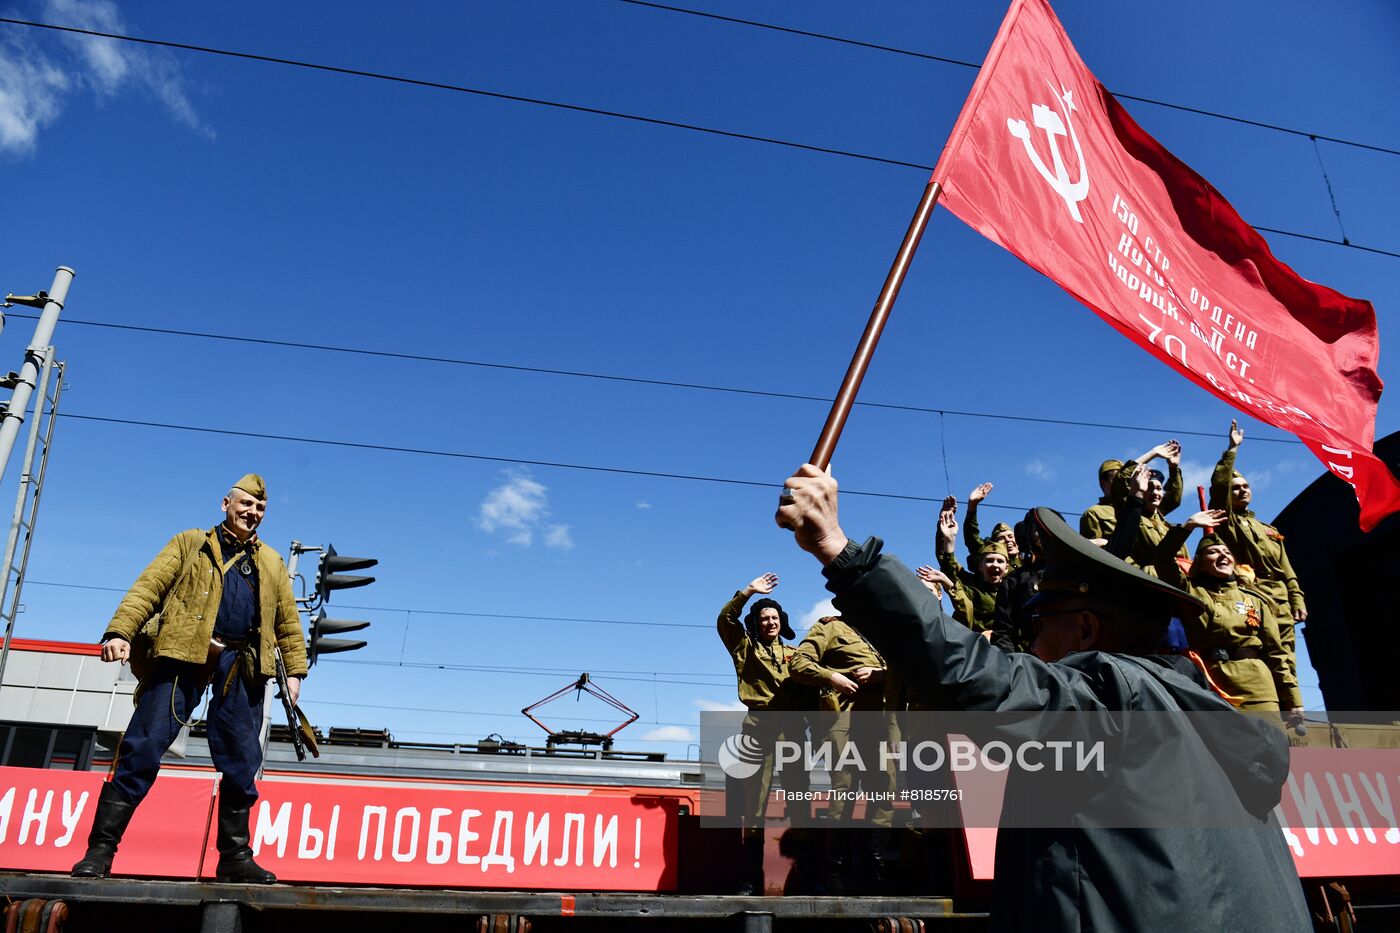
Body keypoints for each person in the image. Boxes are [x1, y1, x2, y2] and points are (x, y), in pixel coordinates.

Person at [776, 464, 1310, 931]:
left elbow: (963, 669)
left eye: (1038, 622)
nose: (1028, 642)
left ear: (1084, 632)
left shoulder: (1112, 695)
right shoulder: (1214, 728)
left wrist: (841, 551)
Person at [71, 474, 307, 884]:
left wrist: (295, 669)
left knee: (242, 758)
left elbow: (287, 620)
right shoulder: (190, 542)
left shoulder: (271, 561)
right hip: (182, 655)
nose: (252, 513)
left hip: (241, 664)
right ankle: (100, 851)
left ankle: (234, 857)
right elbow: (149, 586)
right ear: (225, 504)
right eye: (246, 504)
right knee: (143, 746)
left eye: (260, 508)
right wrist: (119, 631)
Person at [1152, 508, 1303, 717]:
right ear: (1201, 563)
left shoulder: (1256, 600)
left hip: (1257, 689)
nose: (1223, 555)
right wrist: (1188, 527)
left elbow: (1276, 653)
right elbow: (1162, 558)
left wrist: (1293, 699)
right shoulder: (1190, 591)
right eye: (1213, 552)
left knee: (1268, 747)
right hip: (1209, 686)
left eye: (1226, 552)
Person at [715, 571, 812, 894]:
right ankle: (751, 878)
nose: (769, 622)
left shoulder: (798, 656)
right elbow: (726, 620)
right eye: (763, 618)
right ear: (756, 622)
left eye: (774, 618)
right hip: (759, 726)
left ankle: (805, 875)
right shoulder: (745, 648)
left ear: (781, 622)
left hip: (794, 730)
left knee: (799, 798)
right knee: (754, 802)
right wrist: (748, 592)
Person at [790, 614, 897, 892]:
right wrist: (832, 676)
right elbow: (799, 664)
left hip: (880, 721)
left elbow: (905, 670)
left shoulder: (882, 629)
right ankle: (832, 870)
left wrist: (882, 675)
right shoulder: (829, 627)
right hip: (843, 721)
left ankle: (873, 870)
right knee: (845, 790)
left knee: (885, 790)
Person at [1210, 420, 1307, 684]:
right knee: (1263, 650)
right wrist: (1231, 450)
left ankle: (1292, 707)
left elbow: (1287, 569)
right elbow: (1218, 489)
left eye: (1245, 486)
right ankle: (1273, 704)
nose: (1242, 490)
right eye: (1236, 488)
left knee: (1287, 652)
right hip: (1251, 594)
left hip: (1281, 597)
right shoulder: (1226, 520)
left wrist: (1297, 599)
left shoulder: (1269, 529)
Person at [1110, 441, 1185, 575]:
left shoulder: (1162, 519)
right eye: (1149, 489)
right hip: (1151, 576)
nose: (1155, 493)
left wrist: (1174, 468)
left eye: (1158, 489)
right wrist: (1153, 454)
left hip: (1176, 575)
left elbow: (1175, 496)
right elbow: (1121, 480)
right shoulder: (1132, 514)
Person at [935, 497, 1007, 633]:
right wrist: (946, 536)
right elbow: (948, 568)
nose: (995, 565)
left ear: (1007, 566)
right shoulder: (972, 588)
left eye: (1000, 561)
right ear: (980, 566)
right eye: (989, 560)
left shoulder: (1014, 586)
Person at [962, 483, 1022, 569]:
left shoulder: (1030, 562)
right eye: (1001, 538)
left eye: (1010, 536)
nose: (1008, 540)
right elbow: (972, 539)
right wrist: (972, 506)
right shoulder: (994, 567)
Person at [1078, 458, 1123, 541]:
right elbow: (1092, 550)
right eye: (1117, 480)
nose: (1122, 484)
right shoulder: (1094, 513)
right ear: (1103, 483)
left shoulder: (1137, 508)